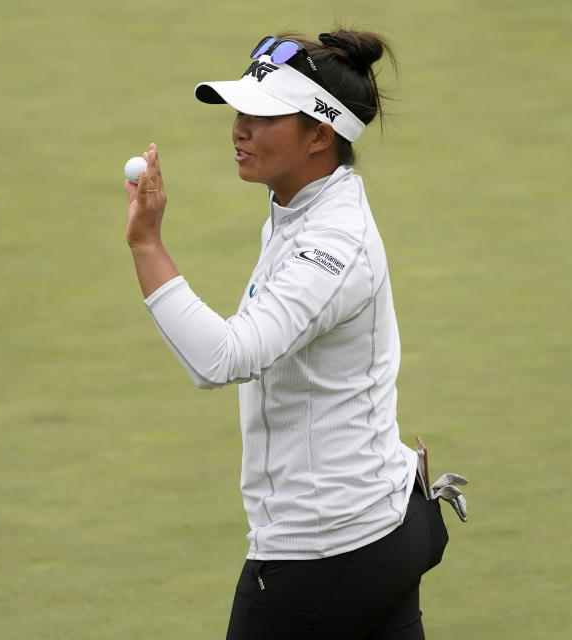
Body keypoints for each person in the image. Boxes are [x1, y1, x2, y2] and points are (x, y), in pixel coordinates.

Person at [123, 29, 466, 640]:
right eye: (239, 110)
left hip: (325, 552)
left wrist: (147, 244)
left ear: (321, 135)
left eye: (264, 115)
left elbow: (223, 358)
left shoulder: (330, 244)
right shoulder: (302, 203)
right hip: (381, 524)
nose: (239, 128)